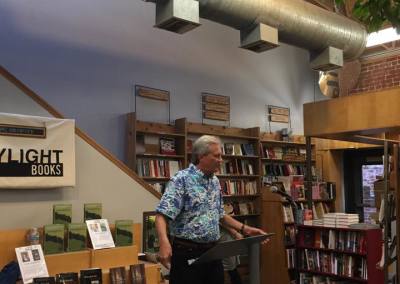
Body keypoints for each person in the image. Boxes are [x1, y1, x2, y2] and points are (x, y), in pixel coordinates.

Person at [155, 135, 267, 284]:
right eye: (217, 156)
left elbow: (219, 214)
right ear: (202, 156)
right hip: (187, 253)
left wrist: (245, 228)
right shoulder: (181, 179)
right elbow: (162, 215)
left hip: (213, 253)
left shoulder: (214, 181)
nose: (221, 160)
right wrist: (164, 242)